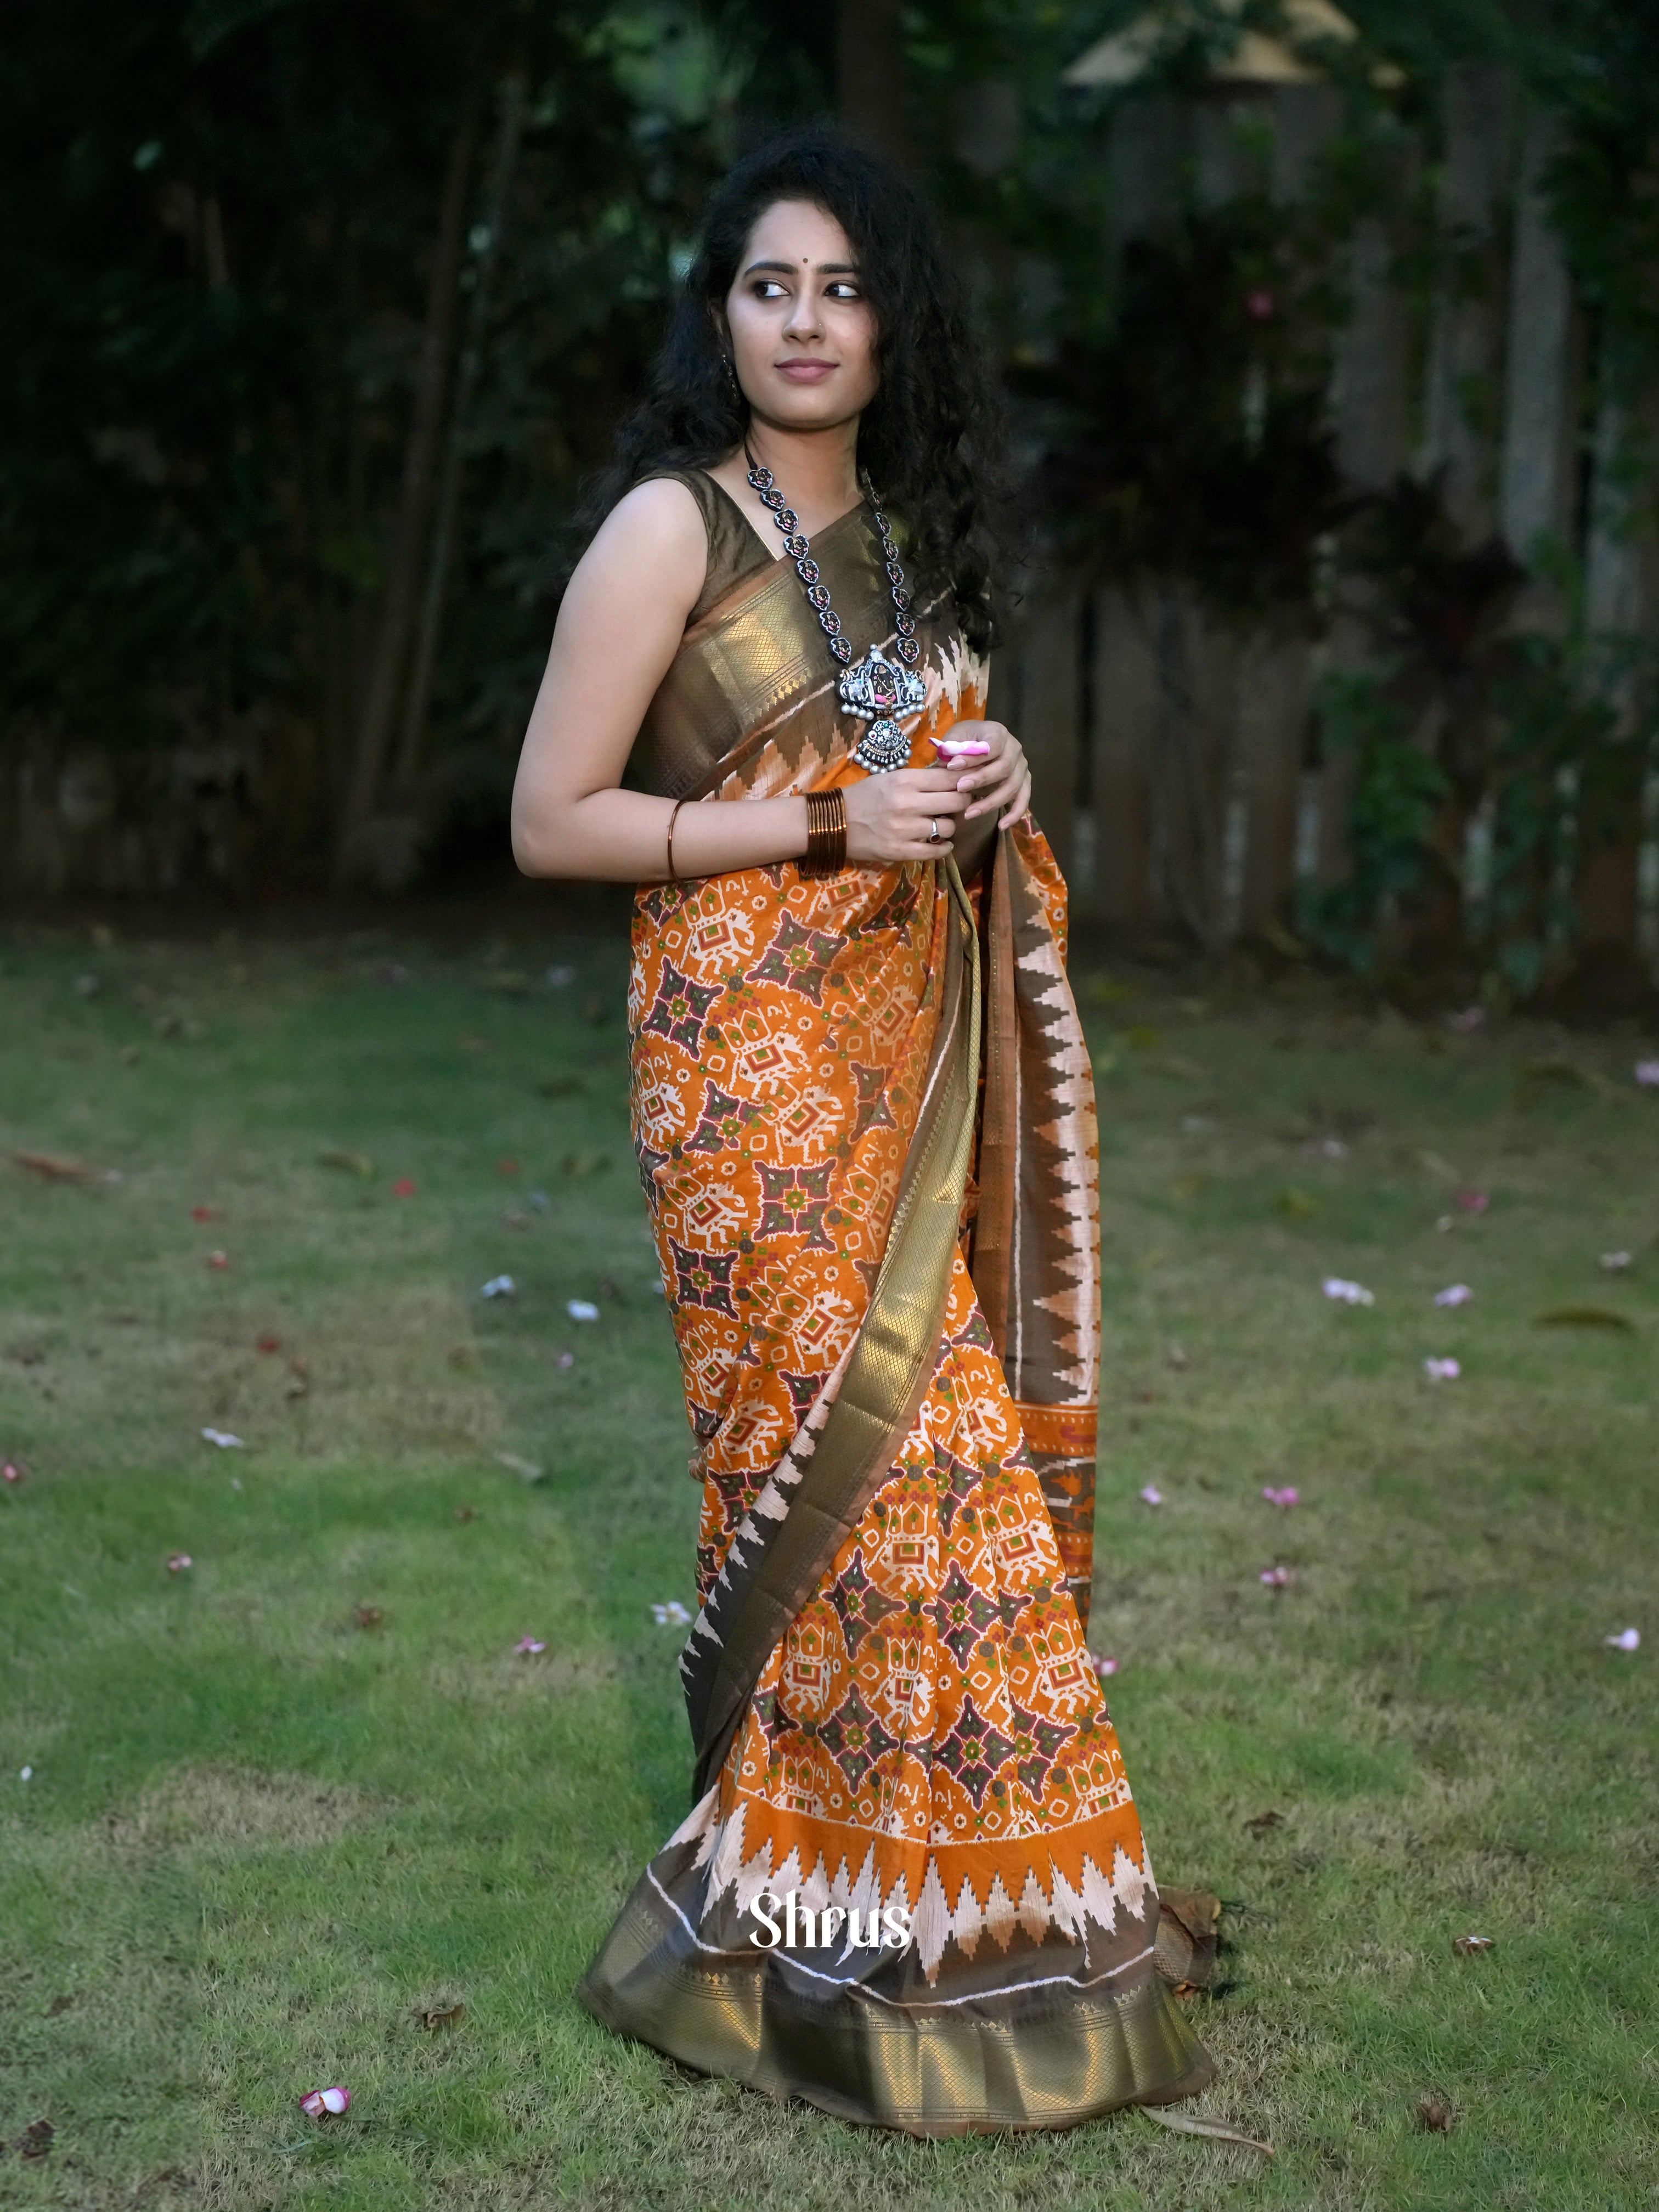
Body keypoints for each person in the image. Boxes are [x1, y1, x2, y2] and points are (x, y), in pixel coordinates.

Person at [511, 122, 1213, 2136]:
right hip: (744, 1068)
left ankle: (914, 1917)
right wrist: (828, 815)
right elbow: (553, 822)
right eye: (767, 284)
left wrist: (982, 791)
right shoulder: (671, 533)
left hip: (901, 1048)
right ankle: (839, 1931)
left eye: (841, 286)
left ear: (895, 323)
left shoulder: (912, 542)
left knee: (923, 1469)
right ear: (719, 311)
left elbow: (926, 775)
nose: (804, 322)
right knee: (892, 1468)